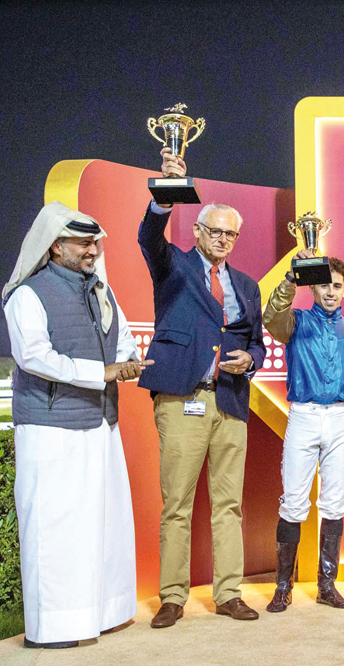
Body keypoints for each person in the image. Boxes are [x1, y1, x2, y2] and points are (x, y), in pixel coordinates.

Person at [3, 202, 151, 649]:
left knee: (102, 525)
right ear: (55, 246)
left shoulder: (102, 291)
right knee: (56, 527)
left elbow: (122, 339)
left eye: (95, 243)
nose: (92, 251)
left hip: (100, 424)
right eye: (84, 243)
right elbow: (33, 356)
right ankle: (53, 629)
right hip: (52, 430)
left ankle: (102, 614)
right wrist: (102, 373)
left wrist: (127, 362)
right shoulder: (27, 293)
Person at [139, 147, 266, 627]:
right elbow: (149, 235)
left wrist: (249, 359)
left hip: (231, 402)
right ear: (197, 232)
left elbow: (257, 344)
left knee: (229, 504)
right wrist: (166, 192)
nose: (223, 240)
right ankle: (172, 596)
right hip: (182, 398)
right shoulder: (172, 266)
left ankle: (228, 593)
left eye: (231, 234)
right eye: (215, 231)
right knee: (177, 503)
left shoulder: (248, 287)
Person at [261, 250, 344, 612]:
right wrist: (292, 278)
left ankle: (328, 585)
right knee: (293, 501)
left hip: (342, 418)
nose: (331, 291)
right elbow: (270, 317)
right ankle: (283, 585)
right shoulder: (294, 322)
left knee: (335, 502)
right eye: (325, 284)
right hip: (305, 415)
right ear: (314, 287)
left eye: (337, 286)